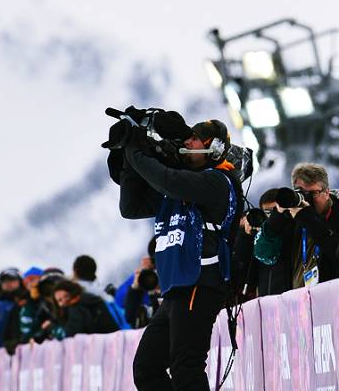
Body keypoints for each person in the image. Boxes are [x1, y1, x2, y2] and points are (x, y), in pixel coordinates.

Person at [116, 118, 242, 391]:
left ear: (214, 147)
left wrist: (135, 151)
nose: (187, 142)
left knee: (186, 366)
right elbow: (131, 207)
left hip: (201, 281)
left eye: (195, 138)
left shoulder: (217, 181)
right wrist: (128, 158)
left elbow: (167, 180)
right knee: (146, 369)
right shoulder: (178, 188)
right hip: (177, 287)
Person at [255, 163, 339, 288]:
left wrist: (310, 220)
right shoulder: (289, 217)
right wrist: (276, 219)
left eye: (313, 193)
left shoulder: (335, 213)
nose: (308, 199)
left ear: (326, 192)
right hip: (298, 301)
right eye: (302, 193)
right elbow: (264, 255)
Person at [50, 279, 121, 337]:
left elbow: (70, 334)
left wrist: (52, 329)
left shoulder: (77, 308)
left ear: (72, 292)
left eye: (66, 296)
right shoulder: (89, 299)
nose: (64, 301)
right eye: (60, 300)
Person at [0, 267, 28, 354]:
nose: (8, 283)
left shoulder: (29, 302)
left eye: (12, 280)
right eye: (4, 281)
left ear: (20, 282)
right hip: (1, 353)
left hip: (26, 351)